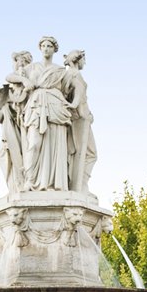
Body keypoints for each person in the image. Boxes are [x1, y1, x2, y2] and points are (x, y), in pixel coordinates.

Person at [20, 36, 71, 191]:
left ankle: (51, 183)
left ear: (54, 49)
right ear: (40, 48)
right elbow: (10, 76)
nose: (46, 48)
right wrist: (24, 81)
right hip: (35, 106)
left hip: (55, 107)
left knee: (53, 144)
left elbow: (71, 90)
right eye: (43, 45)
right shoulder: (32, 68)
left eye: (49, 46)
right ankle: (30, 180)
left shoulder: (61, 71)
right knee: (33, 144)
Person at [0, 51, 33, 192]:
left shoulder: (30, 82)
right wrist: (2, 111)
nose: (18, 64)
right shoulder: (10, 87)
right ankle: (15, 186)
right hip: (11, 125)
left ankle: (23, 183)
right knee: (5, 158)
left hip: (25, 125)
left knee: (26, 152)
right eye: (16, 61)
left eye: (21, 61)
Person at [63, 49, 96, 193]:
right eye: (83, 60)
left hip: (80, 115)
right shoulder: (74, 74)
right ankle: (80, 185)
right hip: (80, 117)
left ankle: (79, 184)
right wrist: (75, 106)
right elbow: (77, 94)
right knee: (86, 153)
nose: (84, 63)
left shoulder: (69, 74)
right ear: (77, 59)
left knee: (78, 152)